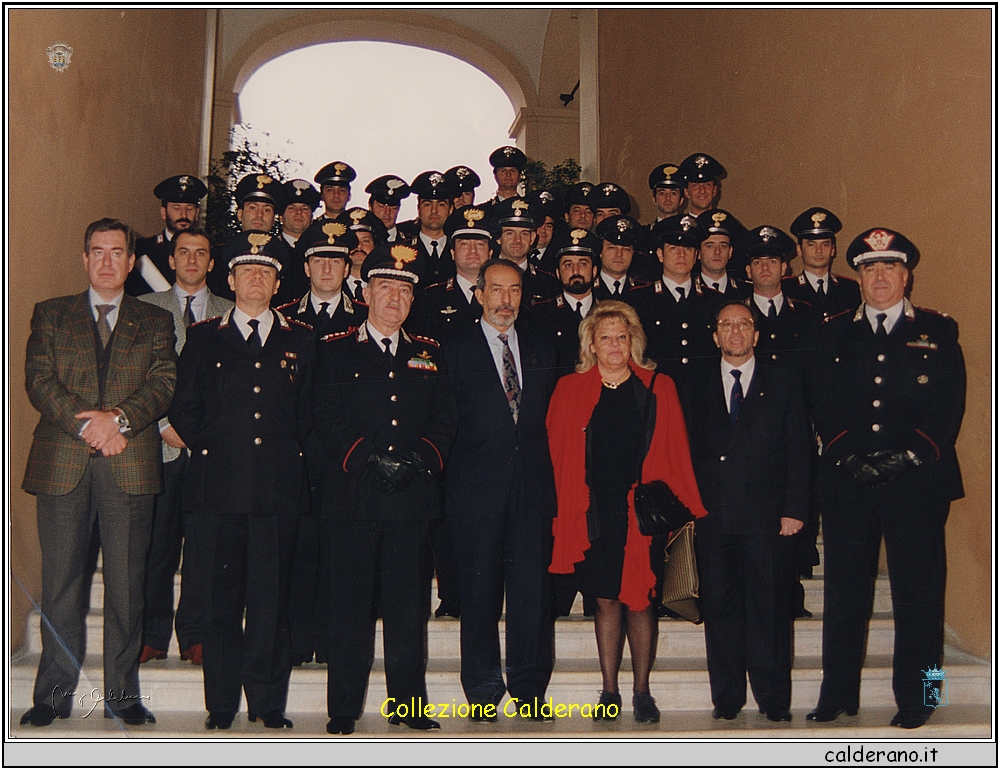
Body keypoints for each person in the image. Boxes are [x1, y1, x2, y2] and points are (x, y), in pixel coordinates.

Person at [805, 228, 966, 730]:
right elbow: (820, 401)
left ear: (906, 274)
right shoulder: (834, 330)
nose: (879, 277)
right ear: (857, 275)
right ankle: (837, 694)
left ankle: (925, 694)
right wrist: (847, 456)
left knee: (922, 594)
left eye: (890, 267)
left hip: (916, 483)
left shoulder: (938, 332)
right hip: (849, 480)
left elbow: (948, 406)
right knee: (844, 593)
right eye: (869, 268)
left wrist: (908, 457)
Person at [21, 218, 176, 727]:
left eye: (117, 252)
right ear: (84, 259)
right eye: (97, 251)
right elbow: (39, 381)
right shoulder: (51, 314)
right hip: (64, 463)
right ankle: (54, 694)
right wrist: (88, 427)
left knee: (127, 585)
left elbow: (163, 383)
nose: (107, 261)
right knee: (61, 583)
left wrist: (120, 421)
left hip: (128, 464)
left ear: (132, 262)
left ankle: (122, 694)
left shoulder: (154, 321)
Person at [169, 231, 315, 731]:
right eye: (247, 271)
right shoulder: (205, 335)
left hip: (277, 490)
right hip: (217, 489)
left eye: (267, 273)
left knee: (270, 602)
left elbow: (310, 413)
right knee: (220, 603)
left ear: (277, 285)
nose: (257, 279)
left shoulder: (301, 338)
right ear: (229, 280)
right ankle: (222, 704)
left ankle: (268, 701)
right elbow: (184, 405)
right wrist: (215, 446)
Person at [314, 243, 458, 736]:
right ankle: (343, 708)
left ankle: (409, 707)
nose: (394, 298)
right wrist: (366, 459)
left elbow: (445, 418)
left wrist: (420, 460)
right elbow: (325, 418)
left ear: (413, 300)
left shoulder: (429, 352)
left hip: (410, 498)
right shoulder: (335, 349)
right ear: (365, 292)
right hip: (354, 495)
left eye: (403, 290)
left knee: (407, 610)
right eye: (385, 288)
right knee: (349, 607)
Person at [547, 301, 708, 724]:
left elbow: (676, 452)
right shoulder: (569, 389)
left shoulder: (658, 386)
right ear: (592, 345)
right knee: (604, 599)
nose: (615, 344)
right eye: (606, 338)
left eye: (622, 336)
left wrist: (685, 510)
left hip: (643, 513)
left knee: (641, 601)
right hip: (594, 512)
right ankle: (608, 690)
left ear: (633, 340)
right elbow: (555, 456)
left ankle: (641, 691)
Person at [678, 301, 810, 723]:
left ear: (756, 334)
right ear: (715, 336)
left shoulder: (784, 381)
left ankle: (773, 699)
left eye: (743, 325)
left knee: (770, 610)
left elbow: (800, 452)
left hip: (769, 518)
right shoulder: (693, 382)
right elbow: (682, 451)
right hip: (712, 514)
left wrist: (794, 509)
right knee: (721, 609)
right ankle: (728, 697)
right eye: (726, 325)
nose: (735, 332)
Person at [443, 258, 559, 721]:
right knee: (478, 595)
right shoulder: (452, 348)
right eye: (496, 289)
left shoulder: (541, 347)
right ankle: (484, 692)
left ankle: (530, 689)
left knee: (532, 594)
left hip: (532, 489)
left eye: (513, 290)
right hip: (474, 491)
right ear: (479, 294)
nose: (505, 300)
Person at [137, 227, 233, 667]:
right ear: (171, 260)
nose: (192, 260)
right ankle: (151, 633)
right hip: (158, 447)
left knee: (205, 548)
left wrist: (203, 432)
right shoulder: (142, 309)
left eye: (201, 254)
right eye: (184, 253)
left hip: (209, 452)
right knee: (157, 546)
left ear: (212, 263)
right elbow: (134, 376)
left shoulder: (231, 312)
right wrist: (161, 425)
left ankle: (194, 633)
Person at [631, 214, 716, 380]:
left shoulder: (713, 301)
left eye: (688, 249)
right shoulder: (639, 300)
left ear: (697, 255)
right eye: (674, 248)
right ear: (660, 254)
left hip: (701, 396)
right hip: (656, 392)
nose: (681, 254)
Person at [743, 225, 816, 376]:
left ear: (783, 268)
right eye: (757, 262)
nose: (765, 268)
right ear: (748, 271)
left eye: (772, 261)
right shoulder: (739, 315)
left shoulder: (806, 313)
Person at [414, 205, 491, 344]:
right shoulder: (432, 297)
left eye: (480, 244)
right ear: (452, 253)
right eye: (464, 244)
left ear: (490, 253)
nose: (472, 251)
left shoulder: (501, 294)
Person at [529, 229, 601, 373]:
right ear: (558, 273)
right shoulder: (540, 314)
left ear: (594, 271)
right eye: (568, 265)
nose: (576, 271)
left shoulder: (608, 311)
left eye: (583, 264)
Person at [126, 174, 208, 296]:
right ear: (164, 212)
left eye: (189, 209)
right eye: (176, 208)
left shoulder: (208, 252)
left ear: (197, 213)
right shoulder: (142, 250)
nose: (183, 215)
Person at [784, 207, 860, 321]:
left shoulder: (849, 288)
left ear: (833, 249)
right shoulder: (786, 288)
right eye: (811, 245)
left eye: (825, 244)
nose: (818, 251)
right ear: (799, 250)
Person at [693, 209, 748, 300]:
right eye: (710, 246)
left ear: (730, 252)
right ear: (698, 253)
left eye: (723, 246)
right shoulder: (689, 291)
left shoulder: (745, 292)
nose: (717, 252)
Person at [593, 214, 647, 300]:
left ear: (632, 253)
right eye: (612, 248)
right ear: (600, 251)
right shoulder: (588, 291)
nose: (619, 254)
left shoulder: (645, 293)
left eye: (625, 249)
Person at [364, 174, 411, 243]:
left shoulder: (409, 242)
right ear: (370, 206)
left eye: (393, 208)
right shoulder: (362, 241)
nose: (387, 212)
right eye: (381, 206)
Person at [678, 153, 726, 218]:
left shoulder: (728, 226)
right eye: (695, 185)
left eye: (707, 185)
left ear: (714, 190)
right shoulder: (675, 227)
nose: (702, 191)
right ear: (686, 192)